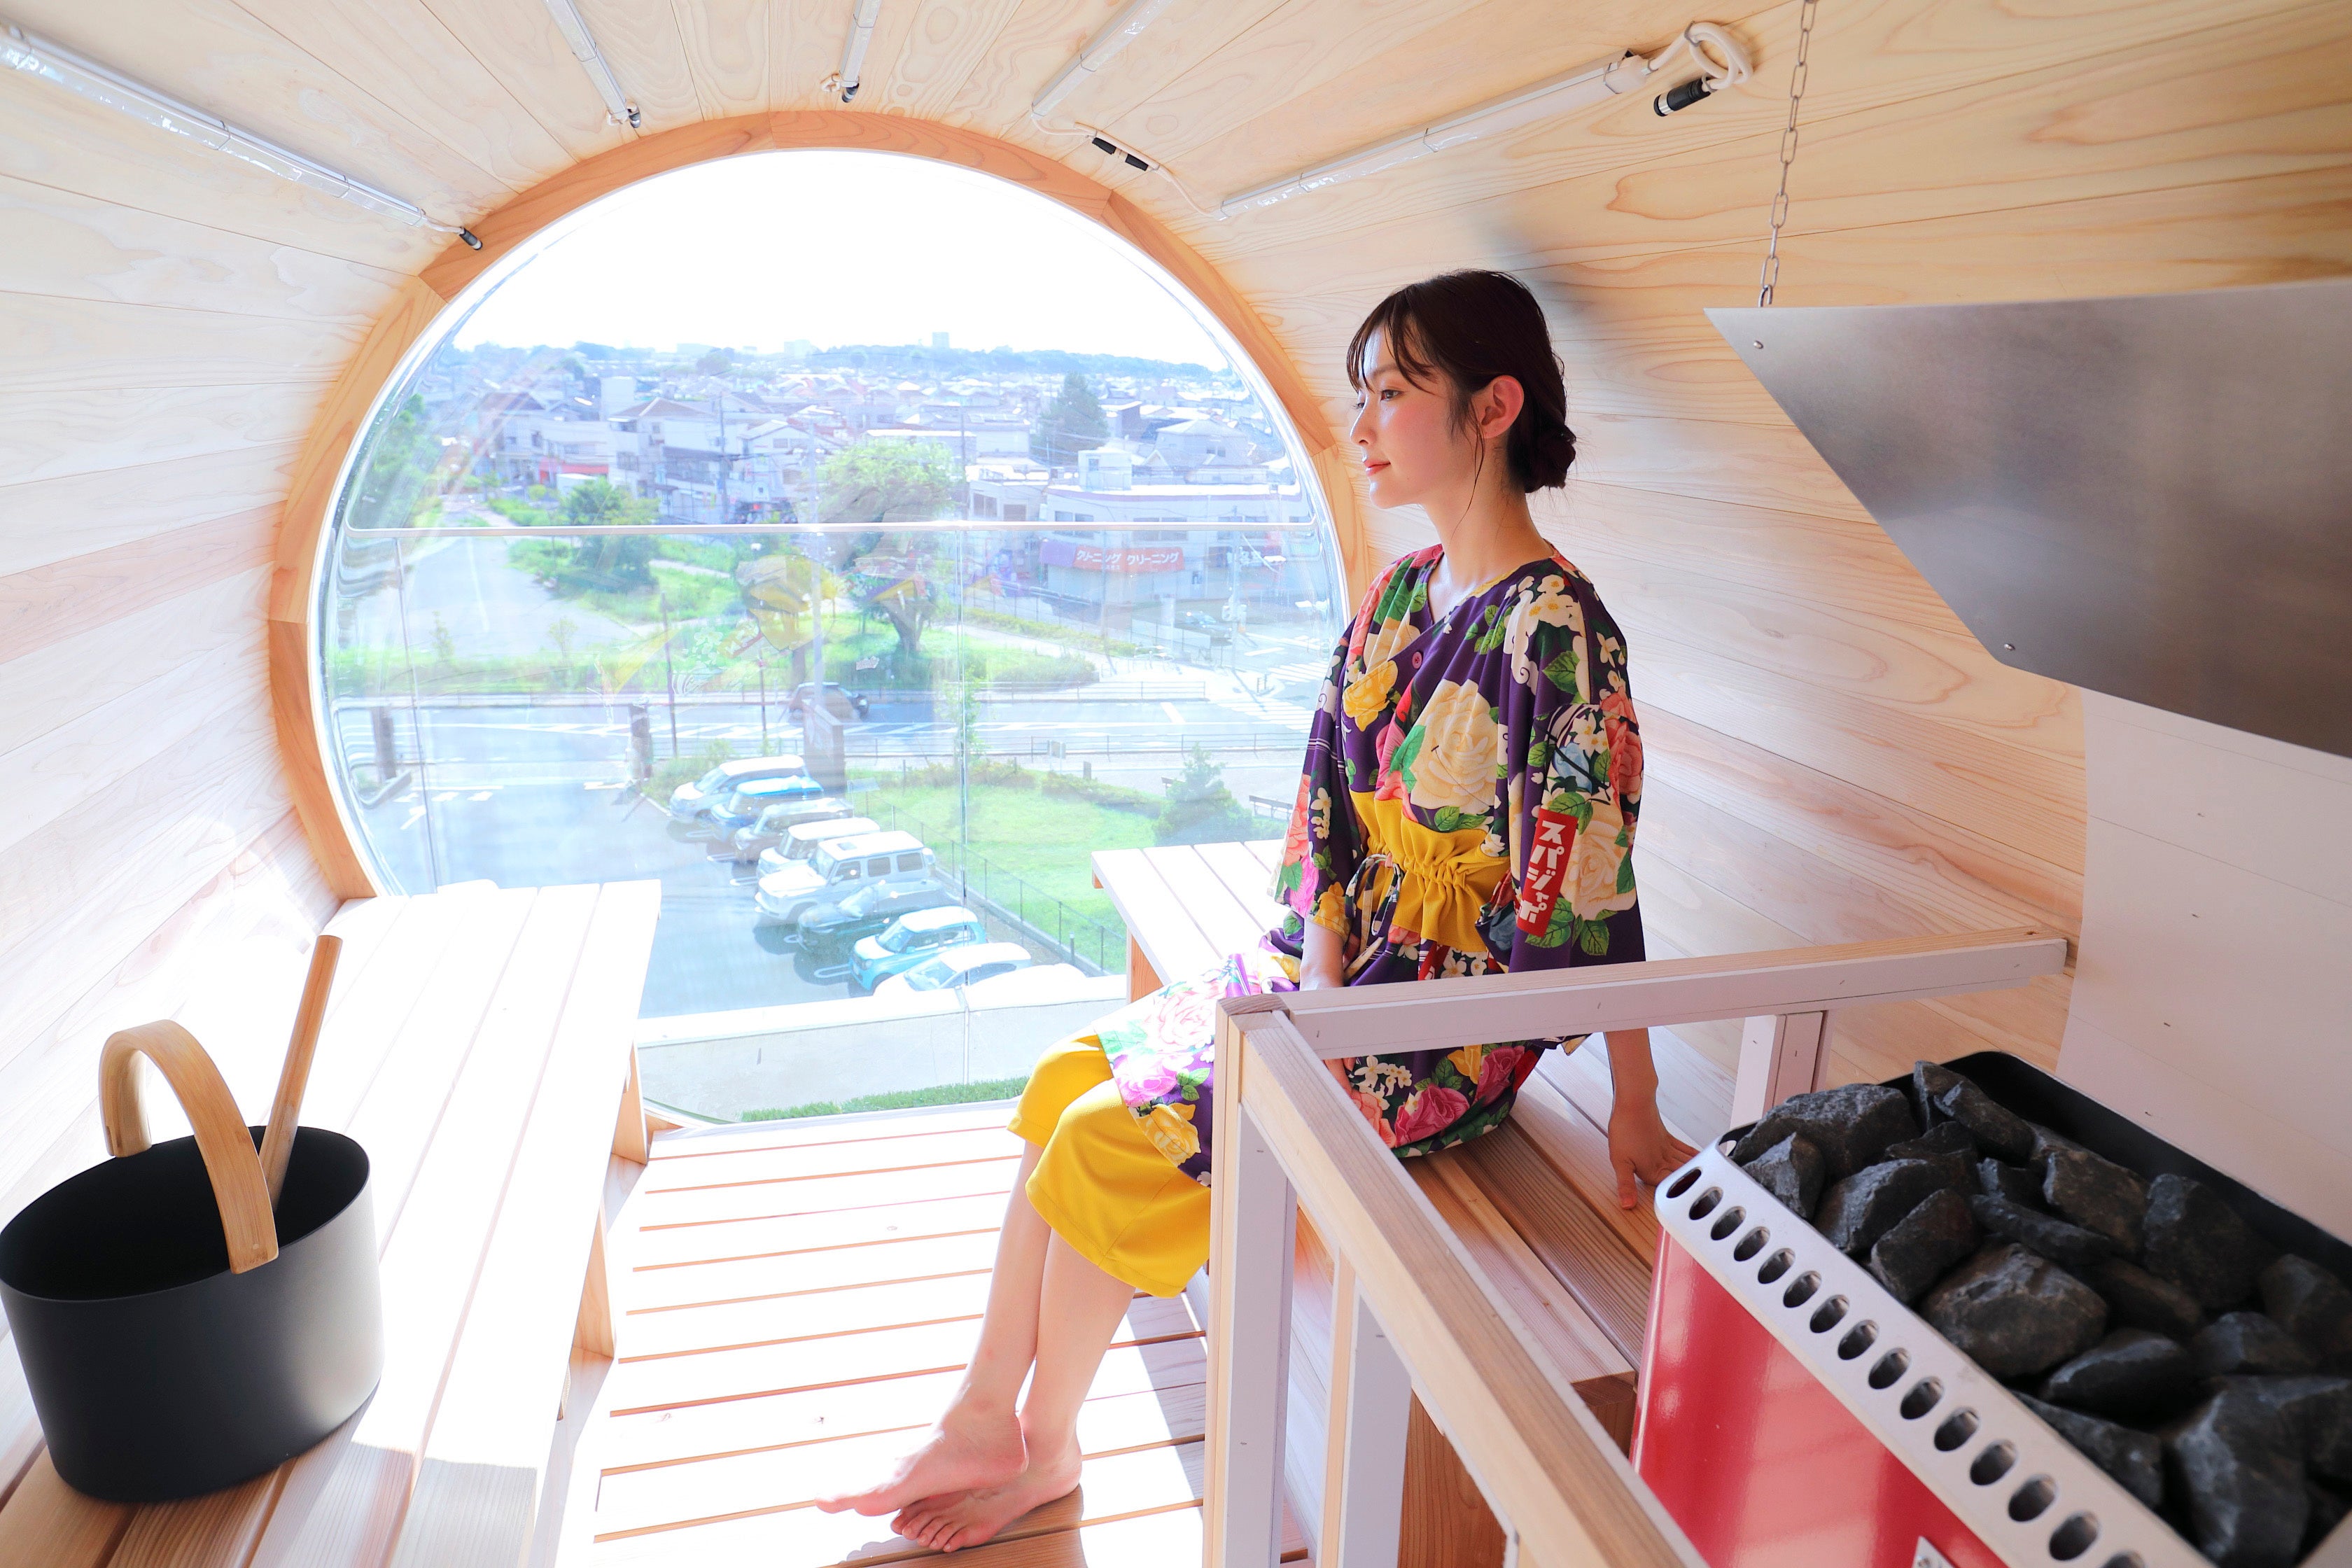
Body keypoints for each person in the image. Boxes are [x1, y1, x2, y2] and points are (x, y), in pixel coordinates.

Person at [816, 269, 1694, 1550]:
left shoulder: (1557, 633)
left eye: (1391, 394)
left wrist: (1634, 1100)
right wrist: (1321, 978)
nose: (1363, 425)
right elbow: (1328, 799)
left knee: (1111, 1139)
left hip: (1443, 1020)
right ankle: (981, 1414)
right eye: (1361, 395)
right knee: (1068, 1079)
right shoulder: (1405, 594)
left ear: (1494, 406)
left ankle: (1043, 1449)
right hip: (1336, 974)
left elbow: (1592, 877)